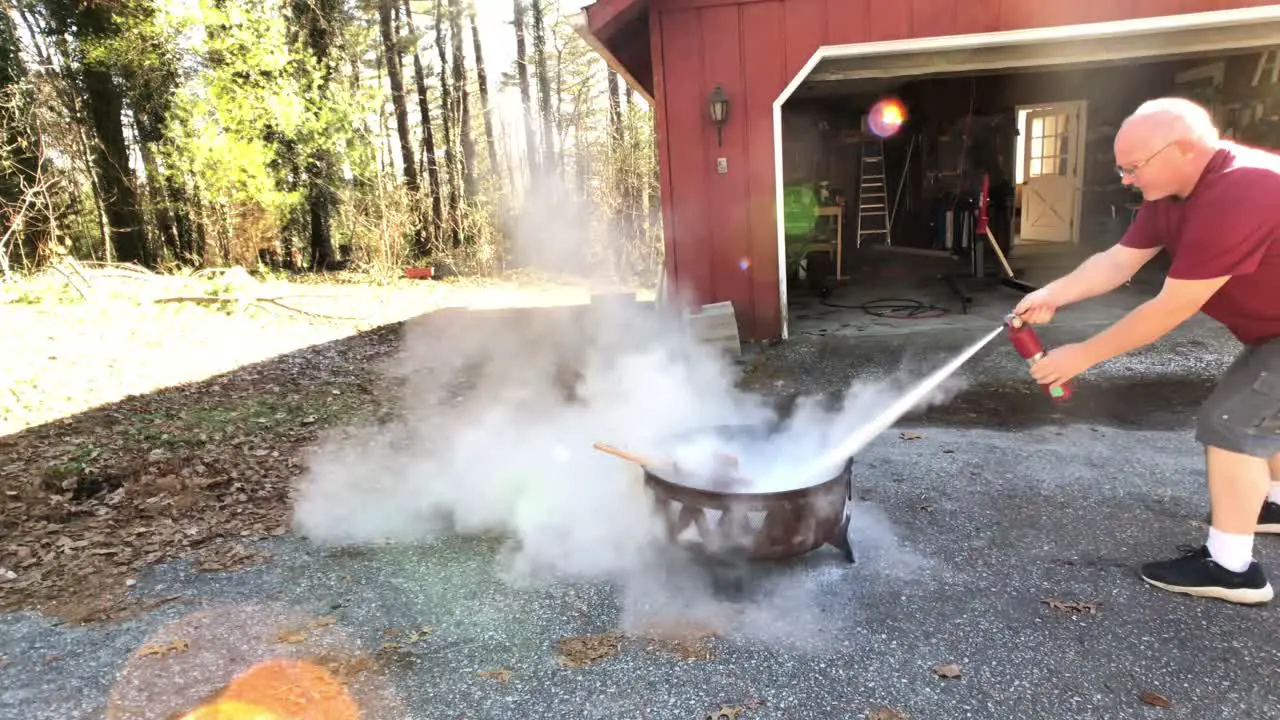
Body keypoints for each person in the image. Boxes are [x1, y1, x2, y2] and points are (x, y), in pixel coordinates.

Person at [1012, 96, 1280, 606]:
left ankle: (1232, 569)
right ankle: (1274, 505)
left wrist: (1083, 354)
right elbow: (1118, 262)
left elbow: (1168, 309)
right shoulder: (1173, 194)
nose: (1125, 179)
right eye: (1121, 168)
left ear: (1181, 149)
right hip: (1271, 332)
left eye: (1133, 168)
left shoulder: (1243, 191)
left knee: (1233, 421)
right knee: (1265, 408)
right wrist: (1054, 293)